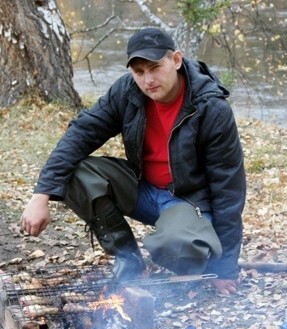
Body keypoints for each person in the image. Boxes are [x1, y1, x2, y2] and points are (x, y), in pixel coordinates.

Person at [20, 28, 246, 295]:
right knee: (74, 172)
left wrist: (225, 268)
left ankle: (190, 250)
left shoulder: (210, 107)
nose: (148, 80)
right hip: (143, 188)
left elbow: (228, 190)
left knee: (175, 245)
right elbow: (80, 134)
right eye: (139, 72)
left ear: (175, 60)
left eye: (154, 67)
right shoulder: (127, 92)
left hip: (189, 201)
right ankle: (128, 258)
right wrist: (41, 194)